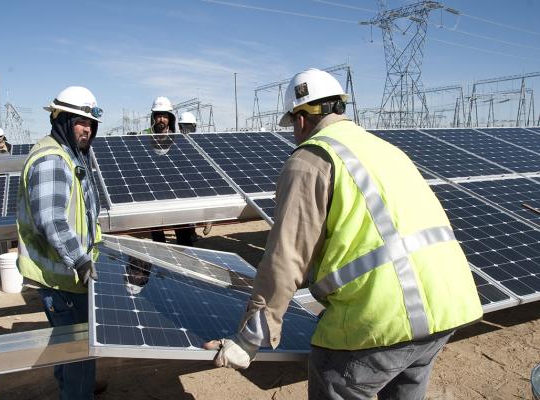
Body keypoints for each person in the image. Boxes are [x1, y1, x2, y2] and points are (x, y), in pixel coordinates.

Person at [204, 68, 483, 400]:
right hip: (449, 303)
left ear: (302, 119)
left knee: (334, 380)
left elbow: (286, 257)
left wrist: (248, 339)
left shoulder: (310, 159)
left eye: (293, 123)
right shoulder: (387, 150)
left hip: (379, 317)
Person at [16, 86, 104, 400]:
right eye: (80, 121)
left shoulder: (70, 153)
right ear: (61, 119)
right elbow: (51, 219)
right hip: (63, 280)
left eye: (91, 123)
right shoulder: (52, 159)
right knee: (80, 352)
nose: (87, 128)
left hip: (70, 277)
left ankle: (72, 387)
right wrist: (80, 259)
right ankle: (77, 393)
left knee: (67, 346)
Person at [145, 96, 195, 246]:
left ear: (170, 118)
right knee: (158, 238)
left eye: (164, 116)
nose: (161, 119)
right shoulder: (144, 136)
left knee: (184, 238)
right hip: (154, 192)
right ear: (153, 117)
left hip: (176, 192)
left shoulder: (178, 138)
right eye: (158, 115)